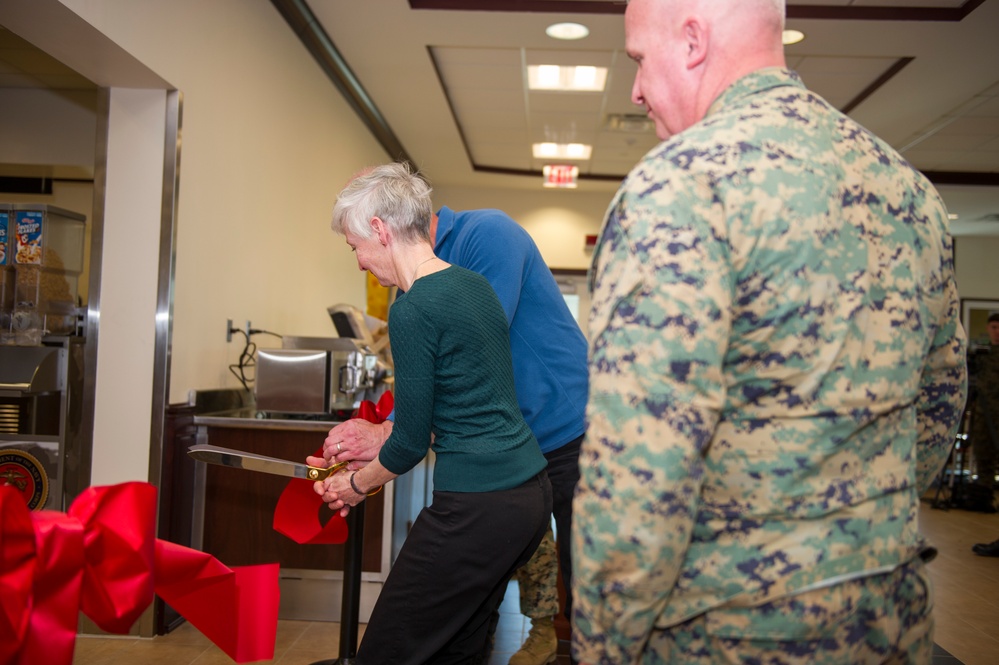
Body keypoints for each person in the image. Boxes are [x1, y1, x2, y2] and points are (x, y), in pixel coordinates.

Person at [571, 1, 969, 663]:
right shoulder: (909, 191)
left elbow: (639, 477)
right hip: (889, 624)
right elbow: (935, 412)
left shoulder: (678, 186)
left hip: (726, 635)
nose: (635, 88)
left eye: (639, 58)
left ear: (692, 40)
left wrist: (601, 649)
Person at [318, 171, 589, 663]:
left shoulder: (485, 239)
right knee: (461, 632)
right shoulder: (452, 285)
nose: (359, 263)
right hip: (519, 466)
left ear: (381, 228)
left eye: (356, 246)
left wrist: (363, 475)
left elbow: (465, 362)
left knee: (589, 580)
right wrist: (391, 427)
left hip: (562, 432)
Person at [969, 312, 999, 499]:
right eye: (994, 327)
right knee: (983, 453)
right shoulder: (979, 354)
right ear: (988, 329)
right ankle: (984, 495)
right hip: (984, 413)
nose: (997, 332)